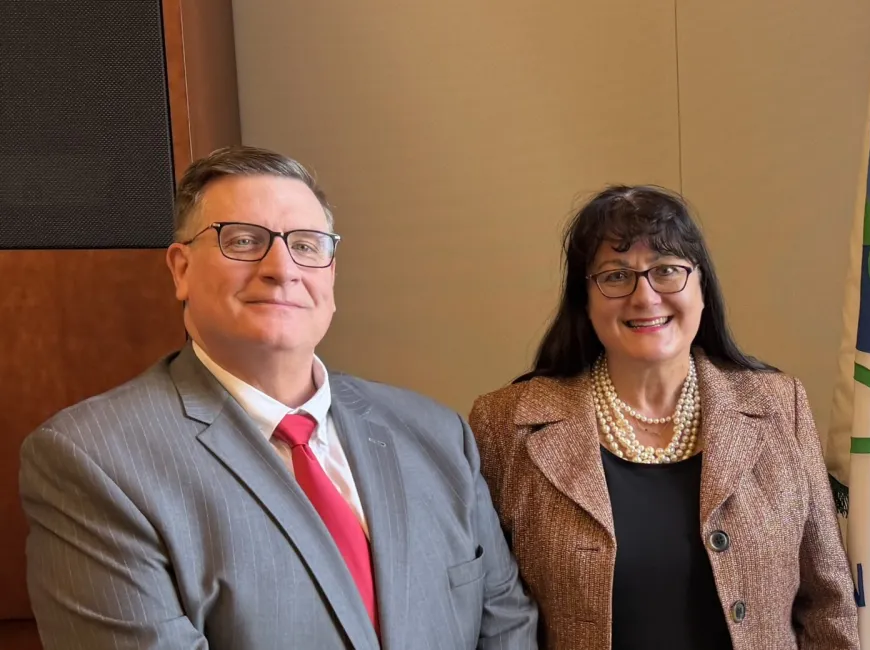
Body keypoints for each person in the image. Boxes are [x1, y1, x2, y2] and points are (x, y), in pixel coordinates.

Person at [19, 146, 538, 649]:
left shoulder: (437, 434)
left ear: (331, 273)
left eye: (307, 245)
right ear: (181, 269)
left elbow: (506, 624)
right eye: (243, 240)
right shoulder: (93, 461)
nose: (281, 268)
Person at [469, 185, 859, 650]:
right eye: (615, 276)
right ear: (584, 299)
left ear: (701, 288)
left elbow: (829, 603)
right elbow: (487, 617)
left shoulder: (777, 405)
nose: (645, 296)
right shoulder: (507, 425)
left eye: (668, 271)